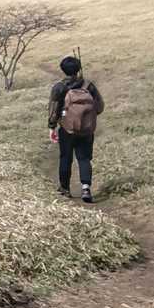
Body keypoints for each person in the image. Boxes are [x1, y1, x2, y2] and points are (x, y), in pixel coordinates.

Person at [48, 55, 104, 202]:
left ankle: (65, 188)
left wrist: (52, 127)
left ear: (63, 70)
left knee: (65, 158)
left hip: (67, 129)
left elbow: (54, 109)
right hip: (86, 130)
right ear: (78, 69)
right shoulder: (88, 85)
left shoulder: (59, 87)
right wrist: (86, 117)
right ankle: (86, 188)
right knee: (84, 158)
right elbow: (99, 107)